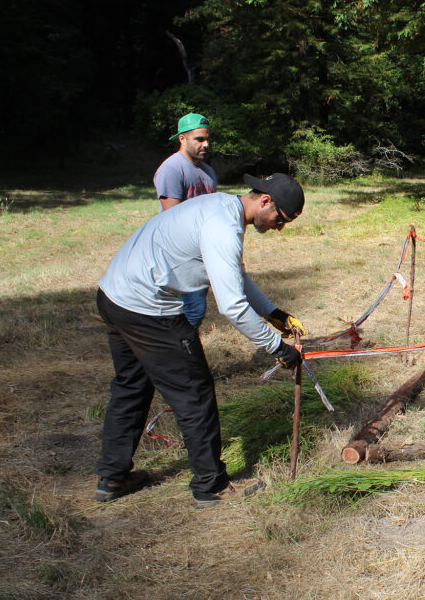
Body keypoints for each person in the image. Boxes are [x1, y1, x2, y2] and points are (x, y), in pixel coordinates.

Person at [94, 173, 308, 507]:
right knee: (194, 393)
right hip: (148, 310)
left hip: (114, 297)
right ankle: (211, 485)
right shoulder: (223, 227)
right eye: (280, 219)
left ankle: (113, 476)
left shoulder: (221, 206)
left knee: (131, 386)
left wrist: (273, 313)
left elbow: (234, 275)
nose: (279, 228)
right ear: (265, 201)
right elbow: (232, 307)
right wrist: (277, 347)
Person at [153, 112, 218, 328]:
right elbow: (172, 218)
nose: (206, 144)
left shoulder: (208, 172)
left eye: (207, 139)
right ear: (182, 138)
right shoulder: (172, 168)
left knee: (192, 310)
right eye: (199, 139)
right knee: (193, 310)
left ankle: (181, 353)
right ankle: (180, 354)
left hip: (200, 251)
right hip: (179, 253)